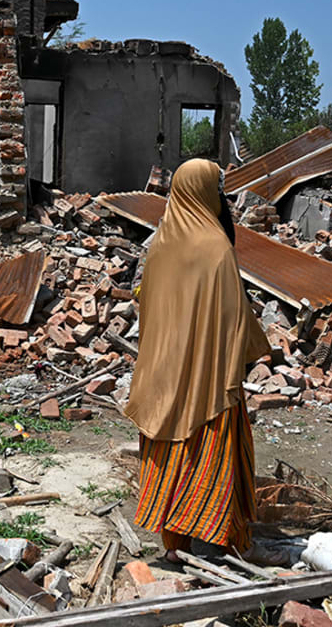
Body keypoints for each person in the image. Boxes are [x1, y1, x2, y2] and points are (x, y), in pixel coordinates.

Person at [125, 158, 271, 562]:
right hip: (207, 379)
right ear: (206, 191)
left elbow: (149, 307)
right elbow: (232, 318)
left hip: (161, 375)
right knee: (214, 456)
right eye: (217, 187)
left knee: (169, 454)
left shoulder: (161, 244)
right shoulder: (215, 247)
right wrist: (253, 351)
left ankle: (175, 547)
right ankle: (227, 541)